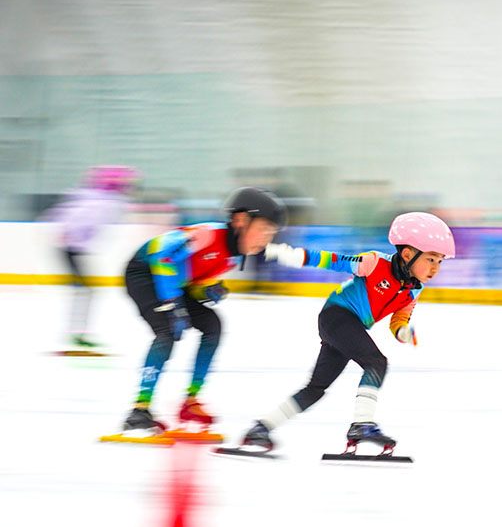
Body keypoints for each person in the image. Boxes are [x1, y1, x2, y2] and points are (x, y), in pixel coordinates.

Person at [232, 211, 455, 455]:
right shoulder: (374, 263)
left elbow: (400, 318)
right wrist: (290, 254)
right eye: (431, 259)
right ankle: (362, 425)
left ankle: (262, 428)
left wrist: (402, 331)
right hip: (337, 316)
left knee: (315, 388)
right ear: (408, 254)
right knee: (376, 362)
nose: (435, 268)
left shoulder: (414, 289)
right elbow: (332, 260)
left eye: (440, 261)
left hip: (350, 326)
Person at [121, 187, 285, 433]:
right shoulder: (207, 235)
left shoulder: (233, 256)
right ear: (241, 220)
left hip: (172, 283)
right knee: (167, 331)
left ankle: (191, 401)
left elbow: (190, 279)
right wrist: (173, 305)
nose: (266, 239)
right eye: (263, 230)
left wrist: (205, 291)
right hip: (144, 272)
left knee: (212, 326)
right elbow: (162, 258)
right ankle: (139, 410)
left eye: (271, 234)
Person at [46, 166, 141, 348]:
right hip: (71, 248)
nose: (130, 187)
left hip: (71, 248)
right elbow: (77, 219)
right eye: (127, 183)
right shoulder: (102, 202)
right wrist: (74, 236)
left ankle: (77, 332)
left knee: (85, 291)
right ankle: (76, 333)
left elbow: (68, 215)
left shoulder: (98, 198)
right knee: (85, 291)